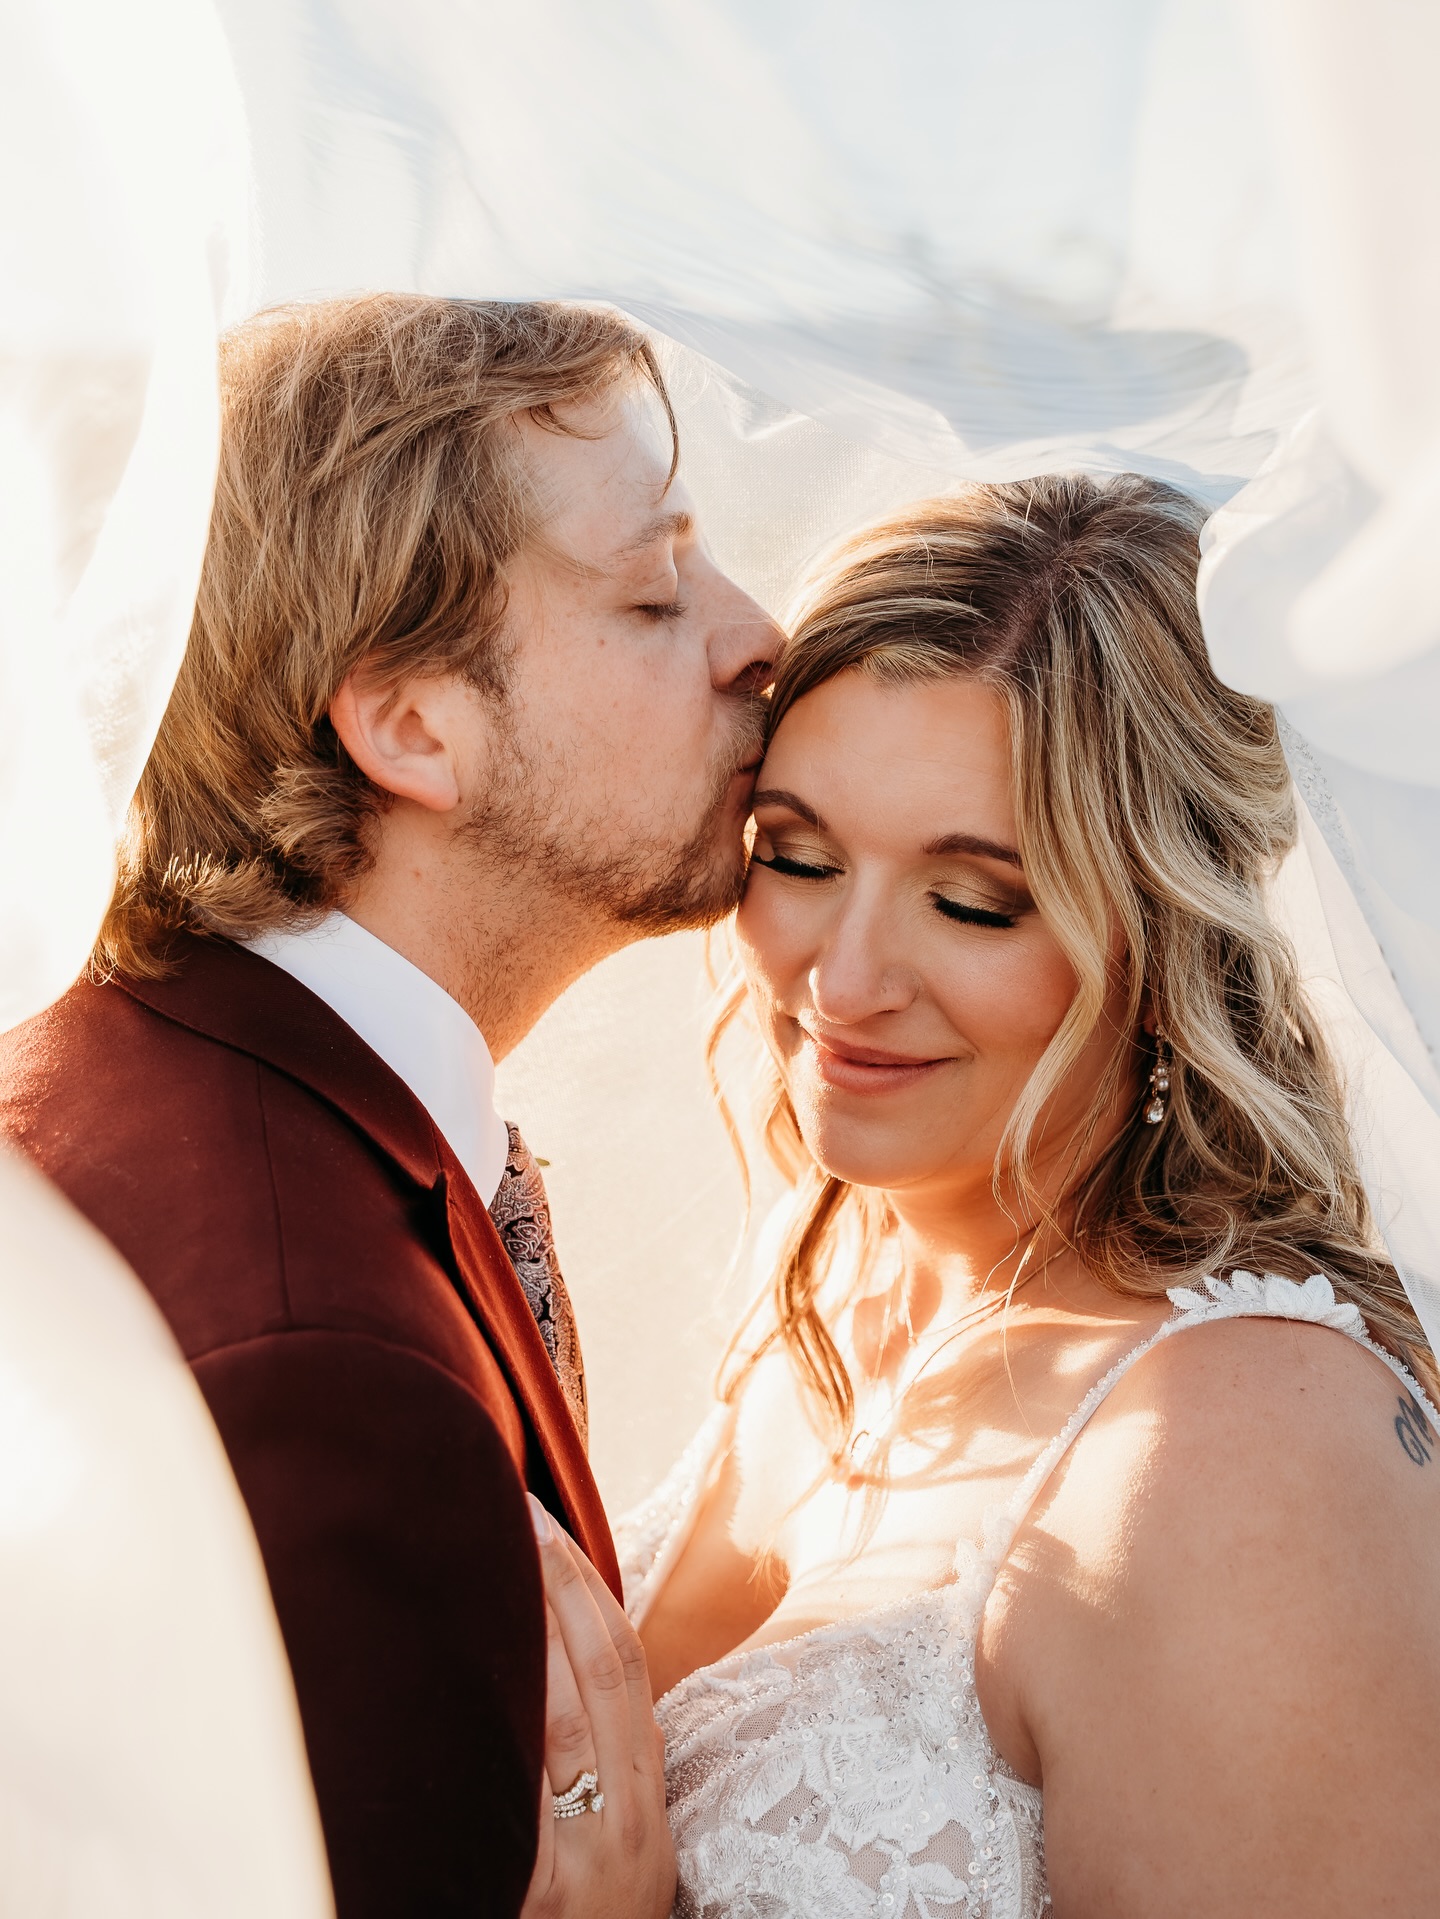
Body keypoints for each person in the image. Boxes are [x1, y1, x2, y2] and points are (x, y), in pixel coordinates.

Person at [0, 294, 778, 1919]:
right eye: (652, 590)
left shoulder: (113, 1065)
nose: (757, 632)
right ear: (415, 724)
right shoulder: (324, 1367)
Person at [606, 474, 1440, 1915]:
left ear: (1169, 944)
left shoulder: (1246, 1457)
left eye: (973, 899)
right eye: (798, 857)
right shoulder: (839, 1288)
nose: (840, 980)